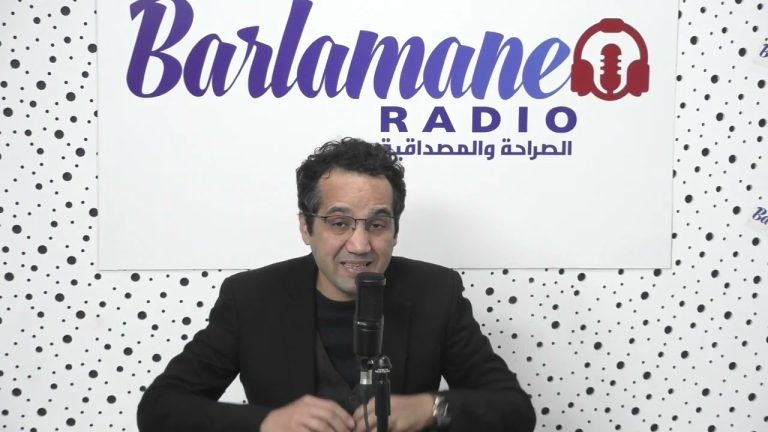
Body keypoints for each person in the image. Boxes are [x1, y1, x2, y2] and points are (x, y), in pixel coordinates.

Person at [136, 138, 536, 432]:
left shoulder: (436, 292)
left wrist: (432, 408)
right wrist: (267, 422)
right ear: (305, 227)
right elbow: (159, 408)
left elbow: (515, 411)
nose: (359, 245)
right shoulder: (251, 298)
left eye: (377, 224)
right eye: (339, 223)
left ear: (395, 231)